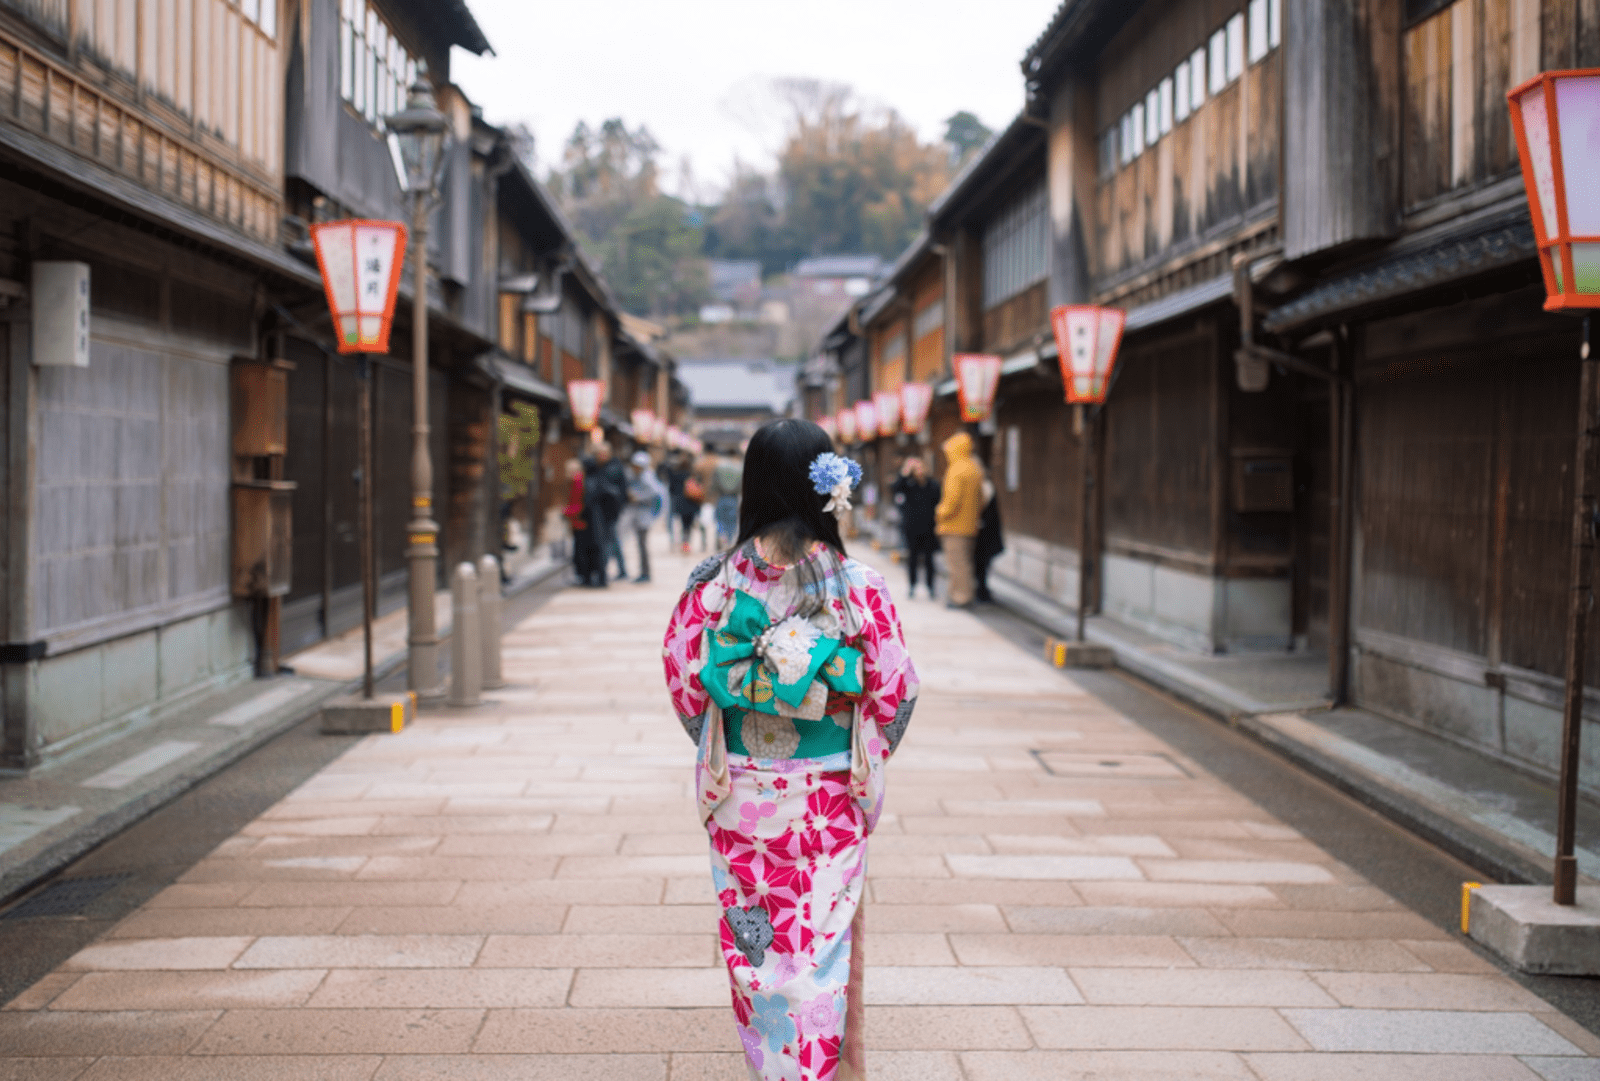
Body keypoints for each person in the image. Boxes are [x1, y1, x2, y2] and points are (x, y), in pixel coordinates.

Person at [662, 419, 918, 1081]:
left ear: (751, 486)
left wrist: (731, 744)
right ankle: (815, 1070)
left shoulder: (713, 584)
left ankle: (777, 1066)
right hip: (829, 798)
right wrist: (861, 746)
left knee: (758, 949)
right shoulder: (859, 585)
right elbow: (896, 691)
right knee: (820, 948)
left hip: (744, 800)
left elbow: (688, 685)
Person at [934, 430, 983, 609]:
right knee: (965, 563)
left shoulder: (956, 470)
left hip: (954, 526)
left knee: (956, 564)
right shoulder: (975, 468)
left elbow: (951, 501)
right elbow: (981, 499)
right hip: (970, 526)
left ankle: (960, 597)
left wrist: (939, 512)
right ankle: (963, 595)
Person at [890, 455, 941, 599]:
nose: (919, 470)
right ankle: (912, 586)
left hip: (929, 526)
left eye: (921, 467)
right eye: (915, 468)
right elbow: (895, 489)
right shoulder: (908, 484)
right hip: (911, 527)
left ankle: (931, 587)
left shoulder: (932, 484)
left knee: (929, 559)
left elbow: (938, 500)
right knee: (912, 558)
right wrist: (905, 472)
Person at [625, 450, 667, 583]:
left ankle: (645, 573)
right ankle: (643, 572)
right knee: (641, 545)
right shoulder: (640, 477)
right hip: (641, 516)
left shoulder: (647, 478)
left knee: (643, 545)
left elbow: (656, 496)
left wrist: (637, 498)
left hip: (645, 517)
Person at [563, 458, 603, 588]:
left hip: (580, 521)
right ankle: (586, 576)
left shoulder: (578, 482)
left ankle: (585, 577)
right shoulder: (579, 481)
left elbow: (578, 503)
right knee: (582, 551)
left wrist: (567, 512)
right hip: (580, 521)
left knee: (582, 551)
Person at [591, 442, 629, 582]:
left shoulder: (614, 467)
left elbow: (622, 489)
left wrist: (620, 506)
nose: (601, 456)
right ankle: (618, 569)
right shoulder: (597, 467)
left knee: (608, 540)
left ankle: (604, 571)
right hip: (601, 510)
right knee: (611, 540)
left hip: (611, 509)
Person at [974, 458, 1005, 604]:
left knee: (982, 563)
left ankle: (982, 590)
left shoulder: (985, 487)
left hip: (985, 532)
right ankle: (981, 590)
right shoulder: (983, 486)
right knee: (980, 564)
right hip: (982, 531)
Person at [709, 448, 743, 549]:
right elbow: (741, 485)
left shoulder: (719, 467)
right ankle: (729, 539)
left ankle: (721, 534)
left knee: (720, 519)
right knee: (732, 521)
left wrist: (713, 493)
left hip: (722, 497)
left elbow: (714, 483)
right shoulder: (740, 469)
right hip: (733, 498)